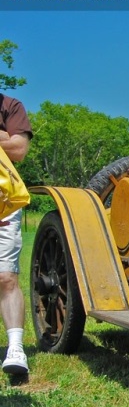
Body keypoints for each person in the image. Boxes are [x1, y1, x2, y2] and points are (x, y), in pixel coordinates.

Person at [0, 93, 33, 375]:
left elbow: (19, 149)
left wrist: (10, 141)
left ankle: (16, 348)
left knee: (6, 276)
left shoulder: (11, 106)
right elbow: (9, 143)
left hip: (5, 203)